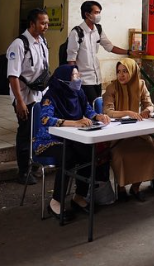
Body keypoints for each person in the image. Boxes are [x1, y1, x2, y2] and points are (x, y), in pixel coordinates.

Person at [34, 65, 110, 219]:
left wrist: (97, 117)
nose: (78, 79)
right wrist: (73, 123)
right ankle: (56, 202)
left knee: (89, 152)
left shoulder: (78, 92)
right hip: (49, 141)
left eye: (77, 75)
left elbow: (87, 110)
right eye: (74, 76)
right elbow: (45, 119)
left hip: (73, 138)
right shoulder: (51, 96)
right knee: (67, 156)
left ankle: (79, 196)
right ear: (63, 80)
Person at [66, 0, 142, 105]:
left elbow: (109, 46)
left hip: (97, 79)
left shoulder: (98, 29)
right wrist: (75, 78)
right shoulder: (76, 33)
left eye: (99, 12)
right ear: (87, 14)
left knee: (97, 106)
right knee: (92, 107)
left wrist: (129, 52)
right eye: (96, 12)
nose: (98, 15)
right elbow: (71, 58)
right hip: (83, 79)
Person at [103, 58, 154, 202]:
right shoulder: (112, 87)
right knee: (121, 155)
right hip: (117, 134)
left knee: (149, 151)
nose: (121, 75)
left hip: (137, 132)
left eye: (125, 71)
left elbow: (150, 104)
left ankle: (135, 188)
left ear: (133, 72)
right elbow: (107, 111)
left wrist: (147, 110)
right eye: (119, 72)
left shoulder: (140, 85)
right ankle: (121, 189)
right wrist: (127, 113)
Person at [7, 8, 50, 185]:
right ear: (32, 24)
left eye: (47, 23)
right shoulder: (19, 44)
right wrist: (19, 102)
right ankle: (23, 171)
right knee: (25, 134)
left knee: (39, 132)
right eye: (42, 23)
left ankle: (35, 166)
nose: (46, 26)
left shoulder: (42, 42)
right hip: (25, 97)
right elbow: (13, 75)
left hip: (41, 95)